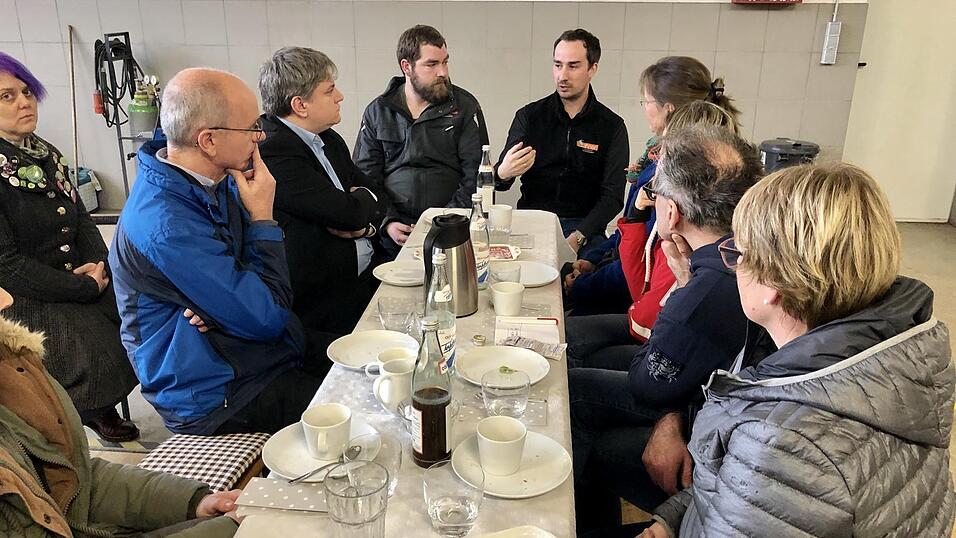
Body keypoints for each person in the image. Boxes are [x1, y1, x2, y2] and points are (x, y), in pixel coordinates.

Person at [638, 164, 955, 537]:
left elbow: (773, 480)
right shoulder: (887, 354)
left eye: (738, 251)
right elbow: (752, 499)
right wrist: (673, 519)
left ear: (772, 282)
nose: (733, 263)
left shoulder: (782, 443)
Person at [568, 125, 763, 533]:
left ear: (671, 211)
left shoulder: (704, 289)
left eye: (655, 196)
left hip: (718, 452)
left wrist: (681, 290)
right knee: (577, 380)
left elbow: (648, 382)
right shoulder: (747, 255)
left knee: (574, 401)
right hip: (719, 412)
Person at [110, 68, 325, 436]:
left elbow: (250, 297)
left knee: (367, 361)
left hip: (248, 353)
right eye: (252, 127)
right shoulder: (166, 224)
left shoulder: (214, 177)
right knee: (356, 415)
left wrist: (224, 306)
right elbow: (266, 314)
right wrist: (262, 220)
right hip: (214, 393)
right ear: (208, 140)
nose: (260, 137)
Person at [0, 284, 242, 537]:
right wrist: (224, 529)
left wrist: (193, 502)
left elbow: (75, 480)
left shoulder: (13, 368)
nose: (7, 299)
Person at [0, 52, 139, 442]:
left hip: (77, 276)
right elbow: (7, 265)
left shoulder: (45, 153)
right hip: (25, 293)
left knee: (143, 310)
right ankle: (88, 409)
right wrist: (82, 288)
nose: (24, 102)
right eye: (6, 97)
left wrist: (101, 264)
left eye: (26, 92)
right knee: (88, 342)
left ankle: (115, 399)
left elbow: (79, 217)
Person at [567, 101, 741, 369]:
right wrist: (636, 215)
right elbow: (642, 288)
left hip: (653, 341)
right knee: (563, 337)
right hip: (643, 325)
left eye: (665, 157)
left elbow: (659, 364)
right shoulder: (676, 231)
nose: (656, 165)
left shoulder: (700, 244)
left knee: (570, 368)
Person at [564, 56, 741, 315]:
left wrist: (583, 287)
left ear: (667, 107)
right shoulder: (656, 159)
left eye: (646, 101)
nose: (644, 108)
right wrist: (592, 260)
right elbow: (628, 233)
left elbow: (642, 261)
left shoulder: (672, 178)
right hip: (623, 279)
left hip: (637, 301)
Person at [258, 47, 386, 342]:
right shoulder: (275, 151)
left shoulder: (328, 138)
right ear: (300, 105)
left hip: (358, 284)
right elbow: (348, 213)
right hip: (320, 309)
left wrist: (365, 221)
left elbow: (376, 194)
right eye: (330, 91)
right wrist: (360, 206)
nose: (340, 96)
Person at [353, 25, 489, 258]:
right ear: (407, 67)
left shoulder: (464, 107)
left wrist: (444, 221)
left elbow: (475, 175)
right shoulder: (378, 111)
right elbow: (366, 178)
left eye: (445, 62)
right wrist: (387, 223)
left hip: (451, 230)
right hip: (394, 235)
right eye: (432, 64)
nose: (443, 72)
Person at [494, 29, 628, 259]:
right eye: (557, 65)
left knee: (585, 286)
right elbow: (499, 181)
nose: (562, 75)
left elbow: (613, 197)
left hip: (584, 227)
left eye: (573, 66)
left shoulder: (611, 126)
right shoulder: (530, 116)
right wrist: (502, 173)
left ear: (592, 69)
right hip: (533, 221)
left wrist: (579, 236)